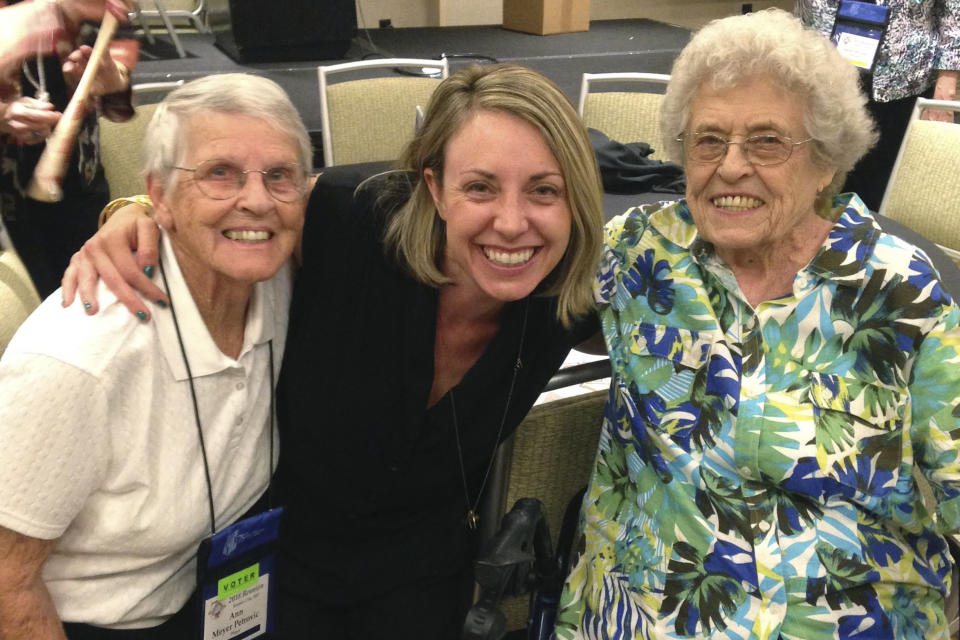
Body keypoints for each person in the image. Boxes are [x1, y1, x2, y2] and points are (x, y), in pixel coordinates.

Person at [60, 63, 605, 638]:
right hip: (277, 561)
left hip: (423, 576)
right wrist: (136, 214)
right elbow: (246, 208)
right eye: (480, 186)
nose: (513, 223)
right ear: (435, 189)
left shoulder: (565, 295)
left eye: (545, 190)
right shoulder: (350, 220)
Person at [557, 8, 960, 639]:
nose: (732, 167)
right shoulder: (640, 252)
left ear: (826, 162)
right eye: (708, 140)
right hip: (643, 615)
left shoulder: (899, 292)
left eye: (767, 141)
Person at [0, 73, 310, 638]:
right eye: (220, 174)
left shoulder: (280, 281)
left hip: (213, 592)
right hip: (90, 622)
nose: (258, 200)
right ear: (160, 196)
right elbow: (5, 581)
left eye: (279, 176)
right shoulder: (81, 360)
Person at [1, 0, 135, 298]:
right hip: (8, 199)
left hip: (81, 179)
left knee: (87, 298)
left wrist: (113, 79)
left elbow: (120, 77)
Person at [796, 0, 960, 211]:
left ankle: (869, 236)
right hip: (823, 62)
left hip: (903, 76)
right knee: (812, 171)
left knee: (884, 185)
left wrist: (946, 85)